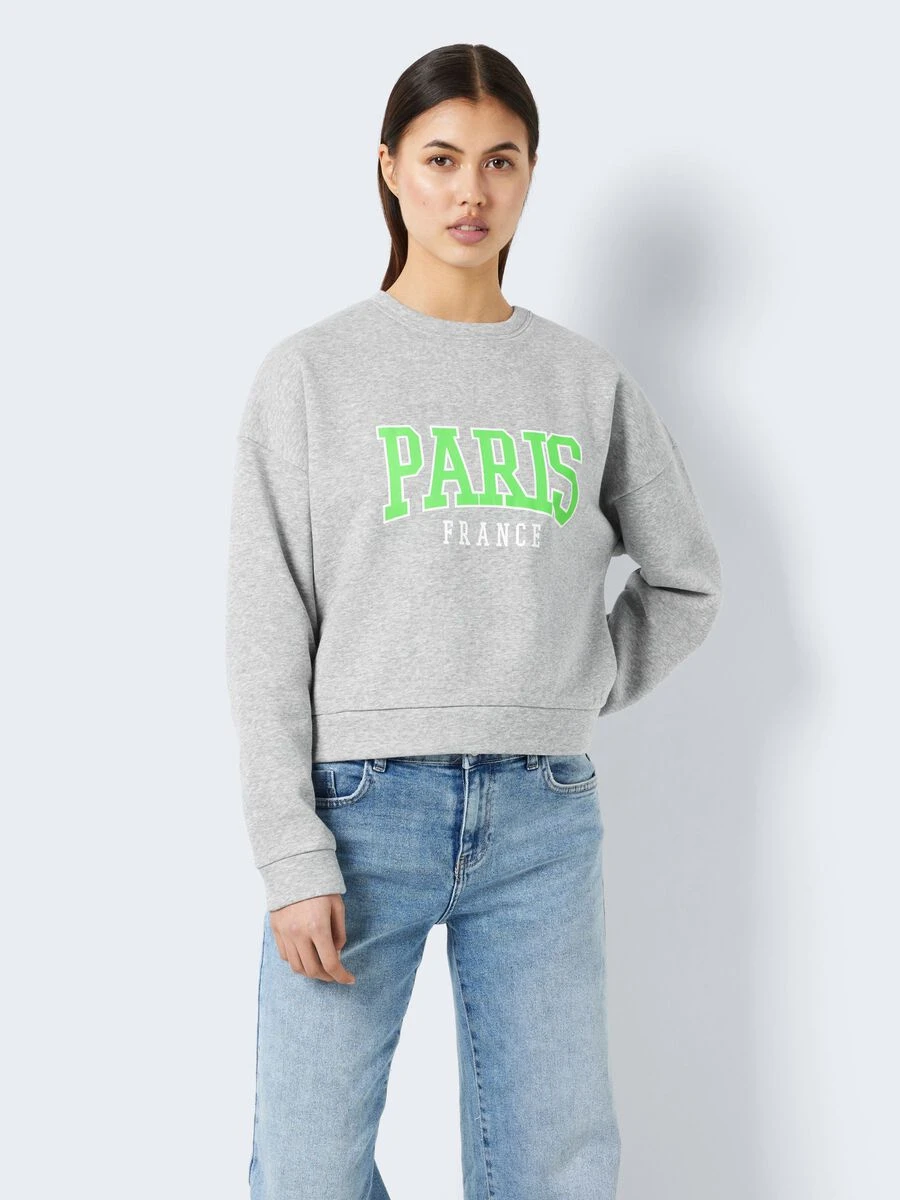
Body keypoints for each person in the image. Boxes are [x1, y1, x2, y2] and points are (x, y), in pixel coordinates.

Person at [225, 41, 722, 1200]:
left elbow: (687, 580)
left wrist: (572, 681)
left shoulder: (584, 381)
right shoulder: (312, 376)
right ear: (390, 168)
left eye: (501, 161)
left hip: (543, 818)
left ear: (531, 174)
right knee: (304, 1170)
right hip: (358, 815)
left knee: (558, 1167)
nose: (471, 190)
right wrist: (290, 851)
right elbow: (264, 628)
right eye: (442, 158)